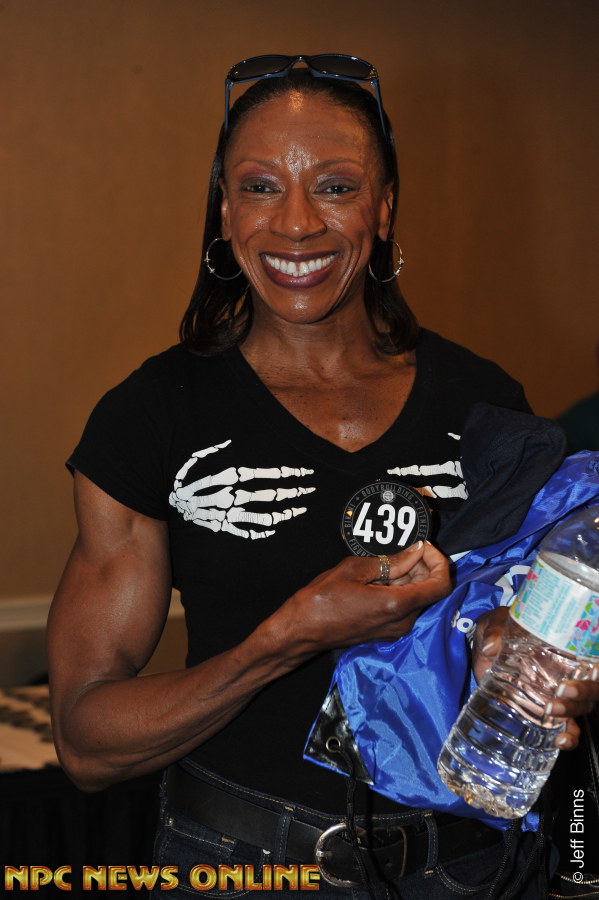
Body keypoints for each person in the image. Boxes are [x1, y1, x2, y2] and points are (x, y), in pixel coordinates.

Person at [47, 55, 599, 898]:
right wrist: (288, 636)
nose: (296, 223)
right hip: (239, 863)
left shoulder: (482, 400)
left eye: (335, 187)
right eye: (260, 187)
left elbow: (517, 619)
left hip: (464, 869)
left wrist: (521, 660)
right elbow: (87, 744)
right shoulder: (153, 415)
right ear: (224, 209)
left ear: (383, 208)